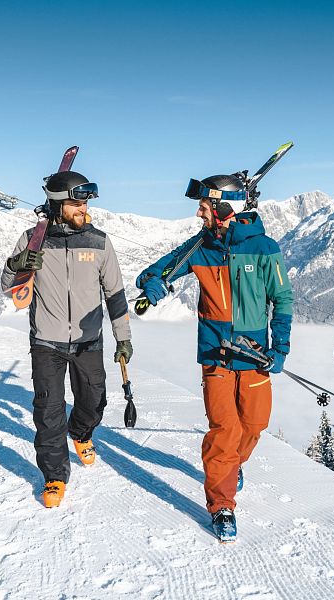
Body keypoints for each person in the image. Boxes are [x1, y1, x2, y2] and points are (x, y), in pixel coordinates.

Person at [135, 173, 293, 542]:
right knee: (225, 430)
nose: (198, 214)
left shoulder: (265, 248)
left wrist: (280, 347)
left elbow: (282, 300)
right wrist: (153, 285)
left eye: (204, 207)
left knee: (254, 425)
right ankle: (222, 504)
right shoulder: (200, 247)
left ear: (224, 208)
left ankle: (233, 465)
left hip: (254, 356)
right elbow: (157, 271)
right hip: (215, 354)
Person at [0, 170, 133, 508]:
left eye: (85, 202)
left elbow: (115, 294)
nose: (83, 209)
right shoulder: (33, 239)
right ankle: (54, 476)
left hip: (89, 340)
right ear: (59, 204)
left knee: (93, 402)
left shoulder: (99, 241)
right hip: (46, 341)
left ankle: (82, 433)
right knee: (48, 411)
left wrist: (122, 338)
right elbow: (7, 285)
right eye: (77, 202)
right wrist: (17, 264)